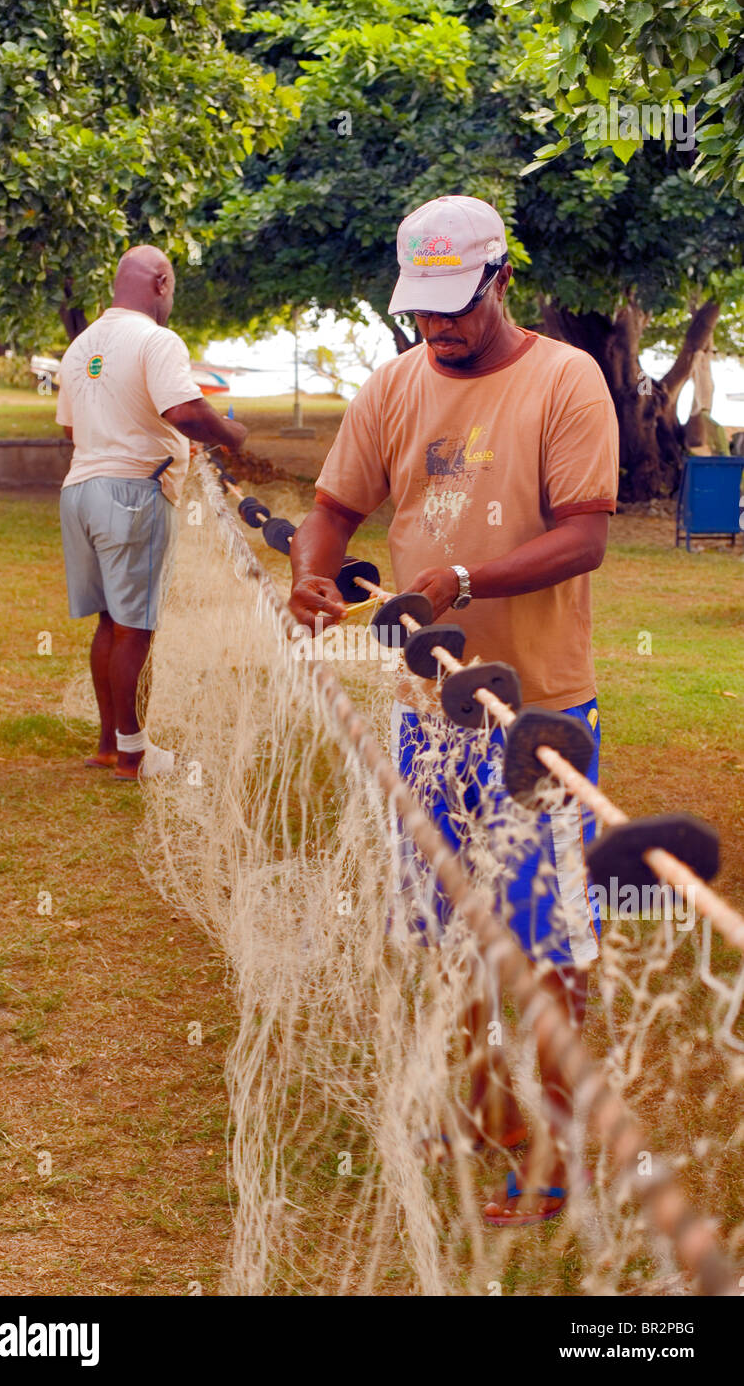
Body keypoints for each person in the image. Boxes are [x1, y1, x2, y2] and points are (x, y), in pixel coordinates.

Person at [288, 195, 619, 1225]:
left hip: (536, 718)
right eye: (422, 310)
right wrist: (310, 574)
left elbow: (583, 536)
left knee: (542, 940)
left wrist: (464, 581)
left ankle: (558, 1156)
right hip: (425, 712)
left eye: (457, 307)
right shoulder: (392, 385)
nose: (438, 328)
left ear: (501, 281)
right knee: (447, 928)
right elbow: (334, 507)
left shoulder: (567, 380)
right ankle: (488, 1114)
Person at [56, 245, 246, 781]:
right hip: (134, 493)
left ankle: (108, 744)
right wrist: (233, 434)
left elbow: (72, 428)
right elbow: (185, 411)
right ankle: (135, 755)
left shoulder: (80, 347)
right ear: (161, 283)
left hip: (79, 493)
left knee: (110, 623)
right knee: (136, 629)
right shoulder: (156, 339)